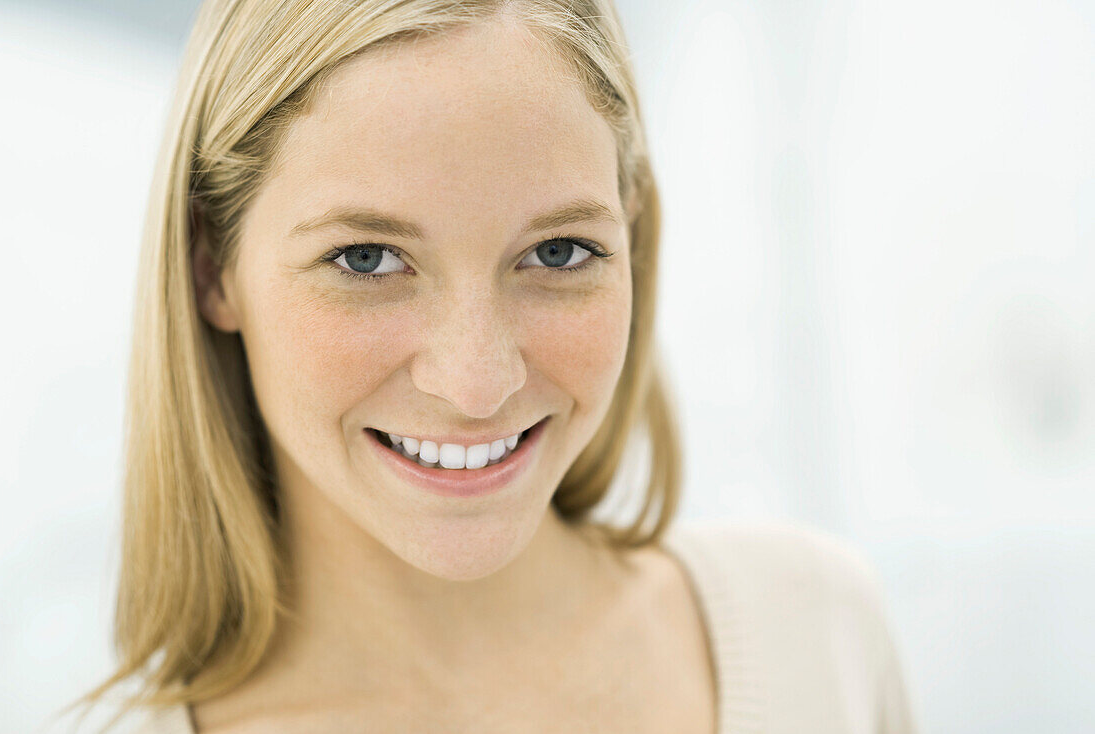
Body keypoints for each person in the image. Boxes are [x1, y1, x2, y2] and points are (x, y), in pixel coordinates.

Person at [69, 1, 919, 732]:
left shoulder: (816, 634)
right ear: (212, 269)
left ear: (634, 240)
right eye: (366, 259)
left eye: (558, 250)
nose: (477, 384)